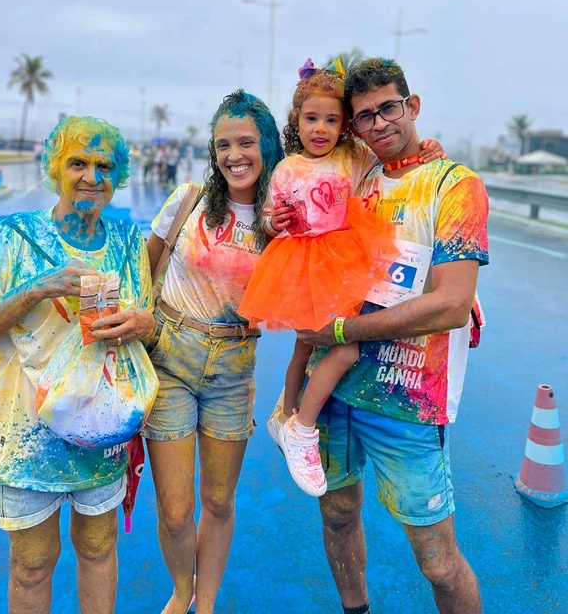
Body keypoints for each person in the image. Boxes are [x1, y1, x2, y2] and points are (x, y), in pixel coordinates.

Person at [297, 58, 489, 614]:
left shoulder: (454, 185)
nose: (379, 123)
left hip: (407, 400)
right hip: (334, 391)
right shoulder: (354, 179)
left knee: (437, 561)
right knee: (337, 514)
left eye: (389, 108)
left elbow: (452, 305)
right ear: (354, 127)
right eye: (365, 116)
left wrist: (340, 329)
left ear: (413, 106)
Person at [0, 116, 156, 614]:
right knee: (32, 563)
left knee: (98, 549)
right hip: (25, 437)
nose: (92, 177)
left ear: (119, 176)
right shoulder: (13, 237)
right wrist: (39, 286)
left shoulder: (127, 243)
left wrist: (143, 324)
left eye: (104, 166)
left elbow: (148, 325)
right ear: (56, 167)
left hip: (103, 429)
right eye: (78, 163)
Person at [239, 58, 444, 497]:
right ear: (297, 121)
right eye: (312, 118)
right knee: (333, 347)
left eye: (332, 120)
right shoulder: (288, 167)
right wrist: (277, 222)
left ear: (345, 125)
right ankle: (300, 423)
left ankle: (288, 418)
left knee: (326, 346)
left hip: (342, 262)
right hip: (300, 264)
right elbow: (272, 220)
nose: (321, 128)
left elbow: (394, 156)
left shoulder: (353, 155)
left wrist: (428, 148)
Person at [143, 90, 284, 614]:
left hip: (233, 366)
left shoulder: (281, 224)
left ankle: (206, 605)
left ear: (267, 147)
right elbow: (144, 265)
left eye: (246, 142)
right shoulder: (189, 200)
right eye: (223, 144)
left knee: (218, 502)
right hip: (170, 354)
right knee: (176, 511)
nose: (234, 155)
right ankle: (183, 592)